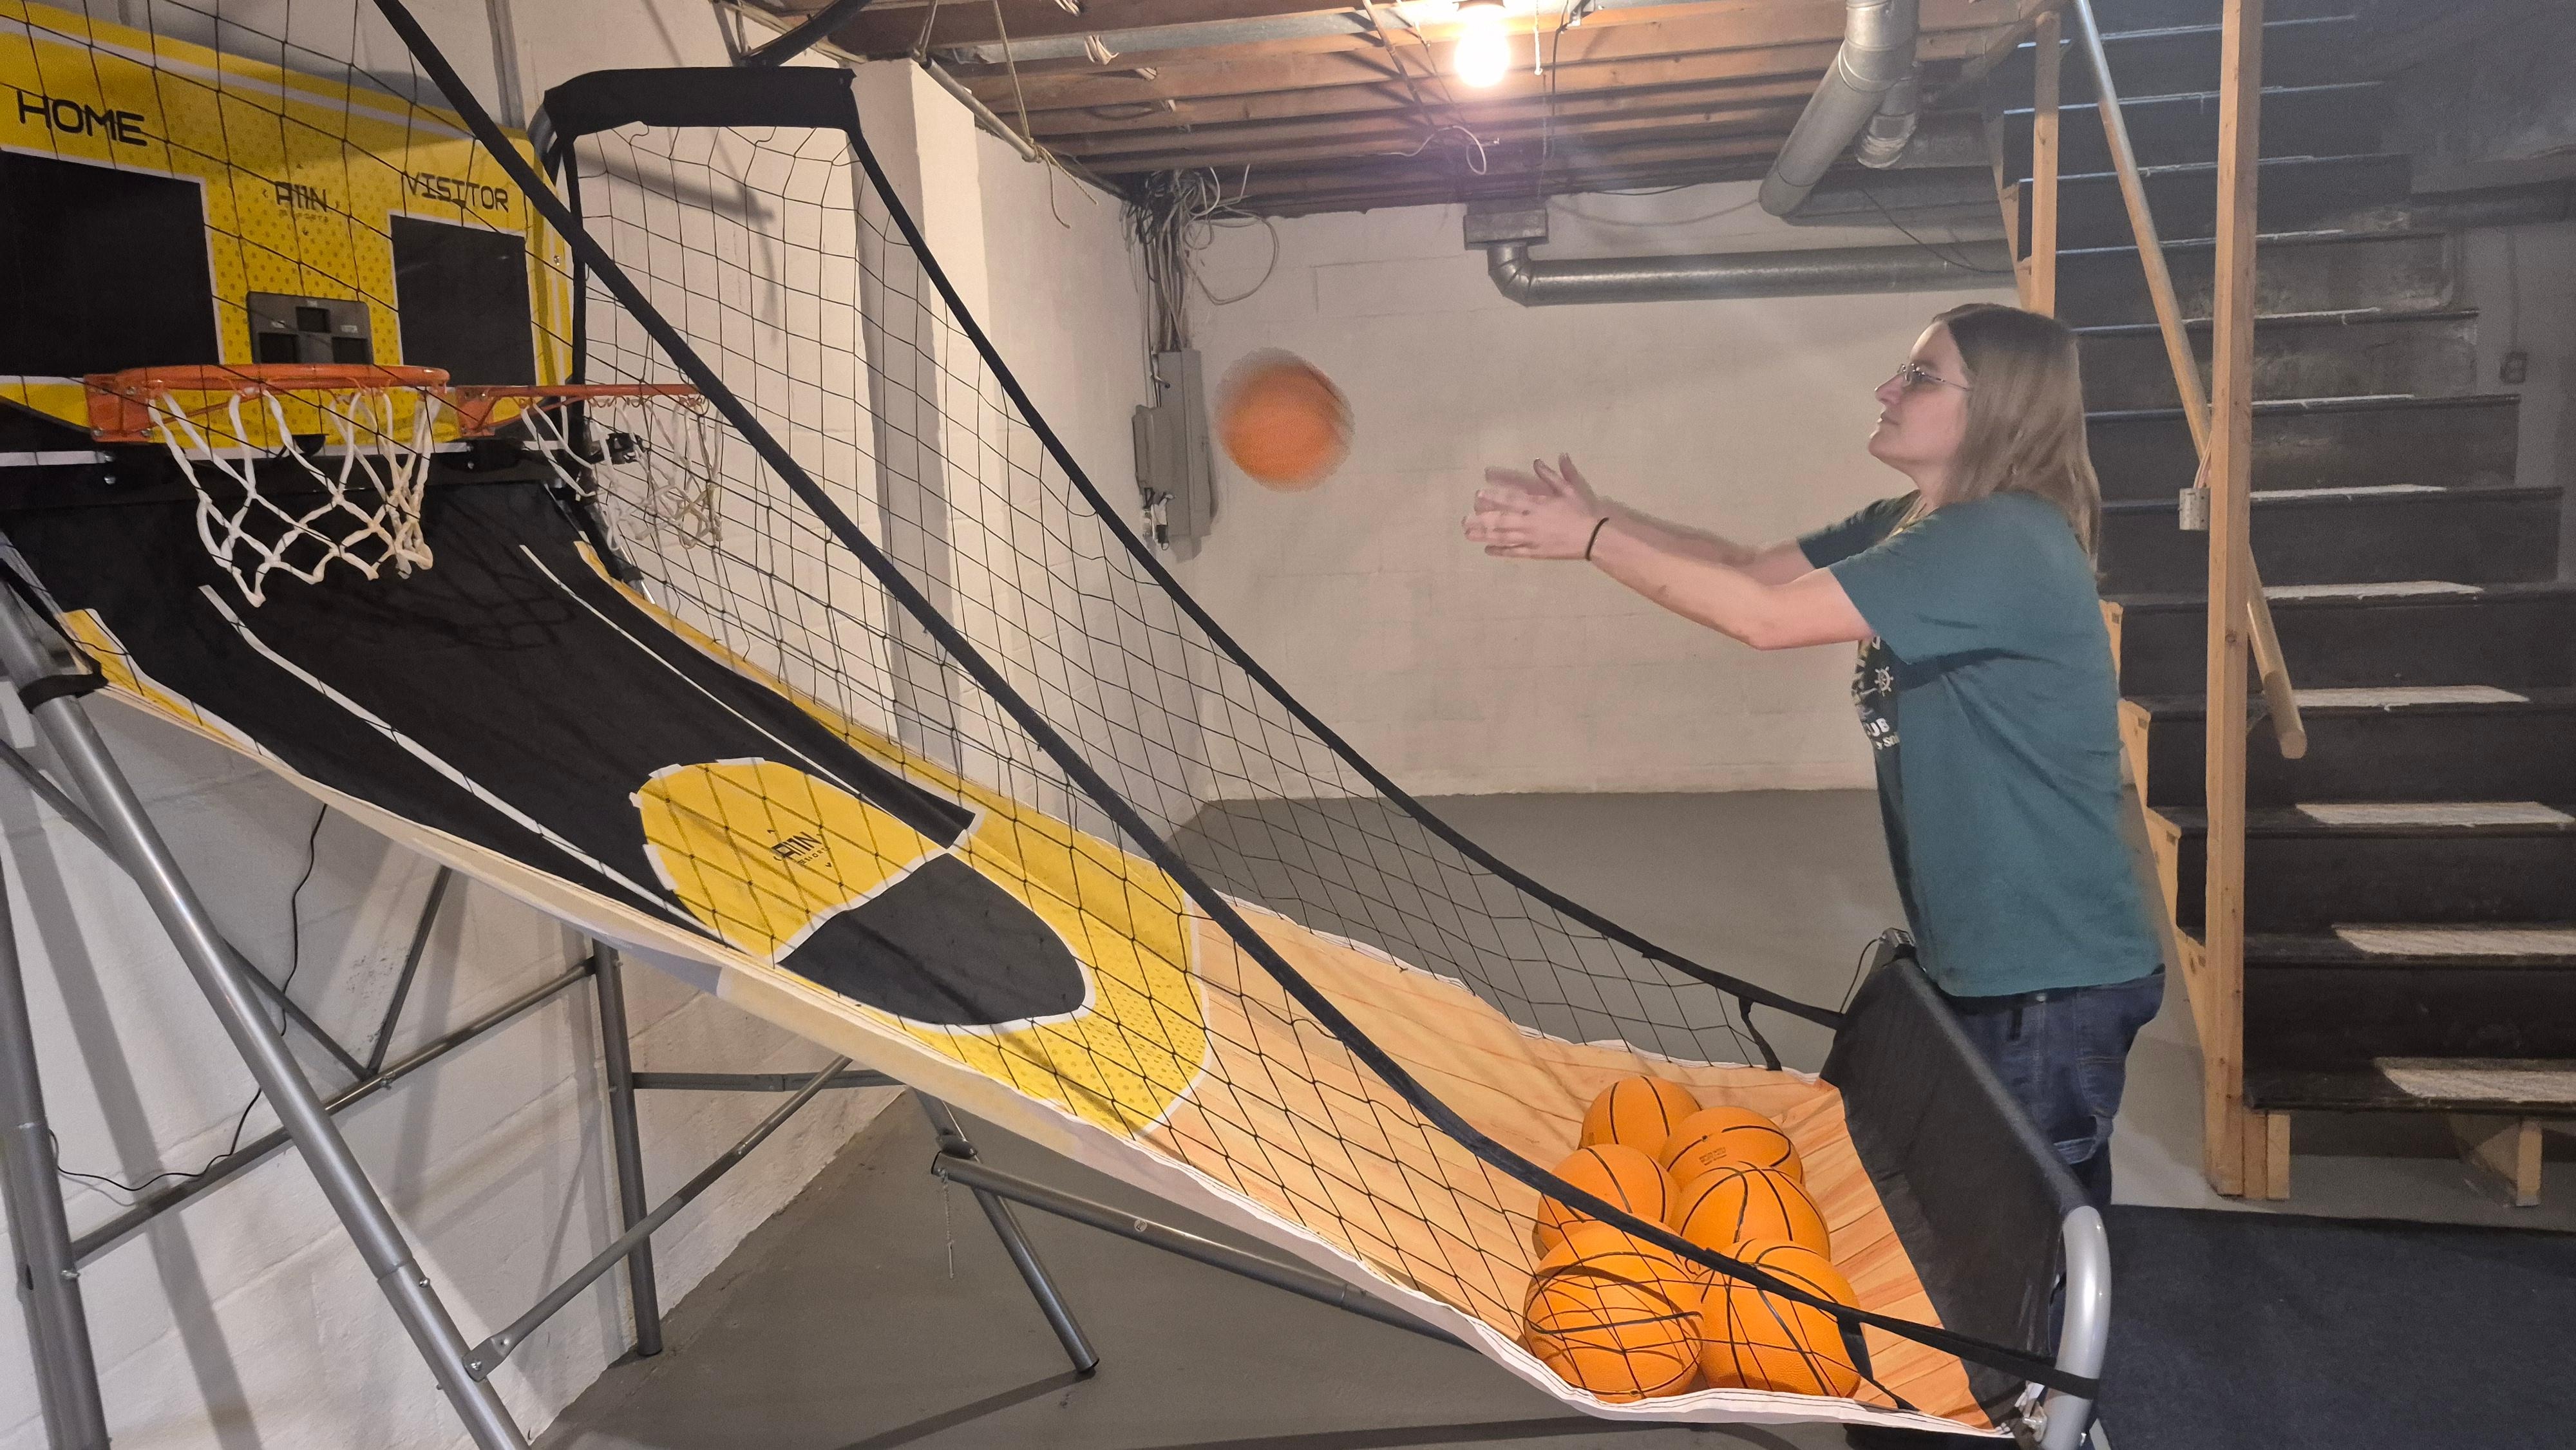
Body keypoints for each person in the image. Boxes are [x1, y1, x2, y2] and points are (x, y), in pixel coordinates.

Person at [1463, 302, 2164, 1218]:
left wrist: (1594, 542)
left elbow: (1763, 621)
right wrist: (1605, 519)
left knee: (2026, 1234)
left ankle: (2049, 1368)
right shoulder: (1918, 519)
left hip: (2046, 975)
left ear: (1997, 407)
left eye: (1920, 376)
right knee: (1985, 1219)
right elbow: (1753, 570)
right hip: (1996, 959)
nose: (1889, 389)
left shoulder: (1999, 539)